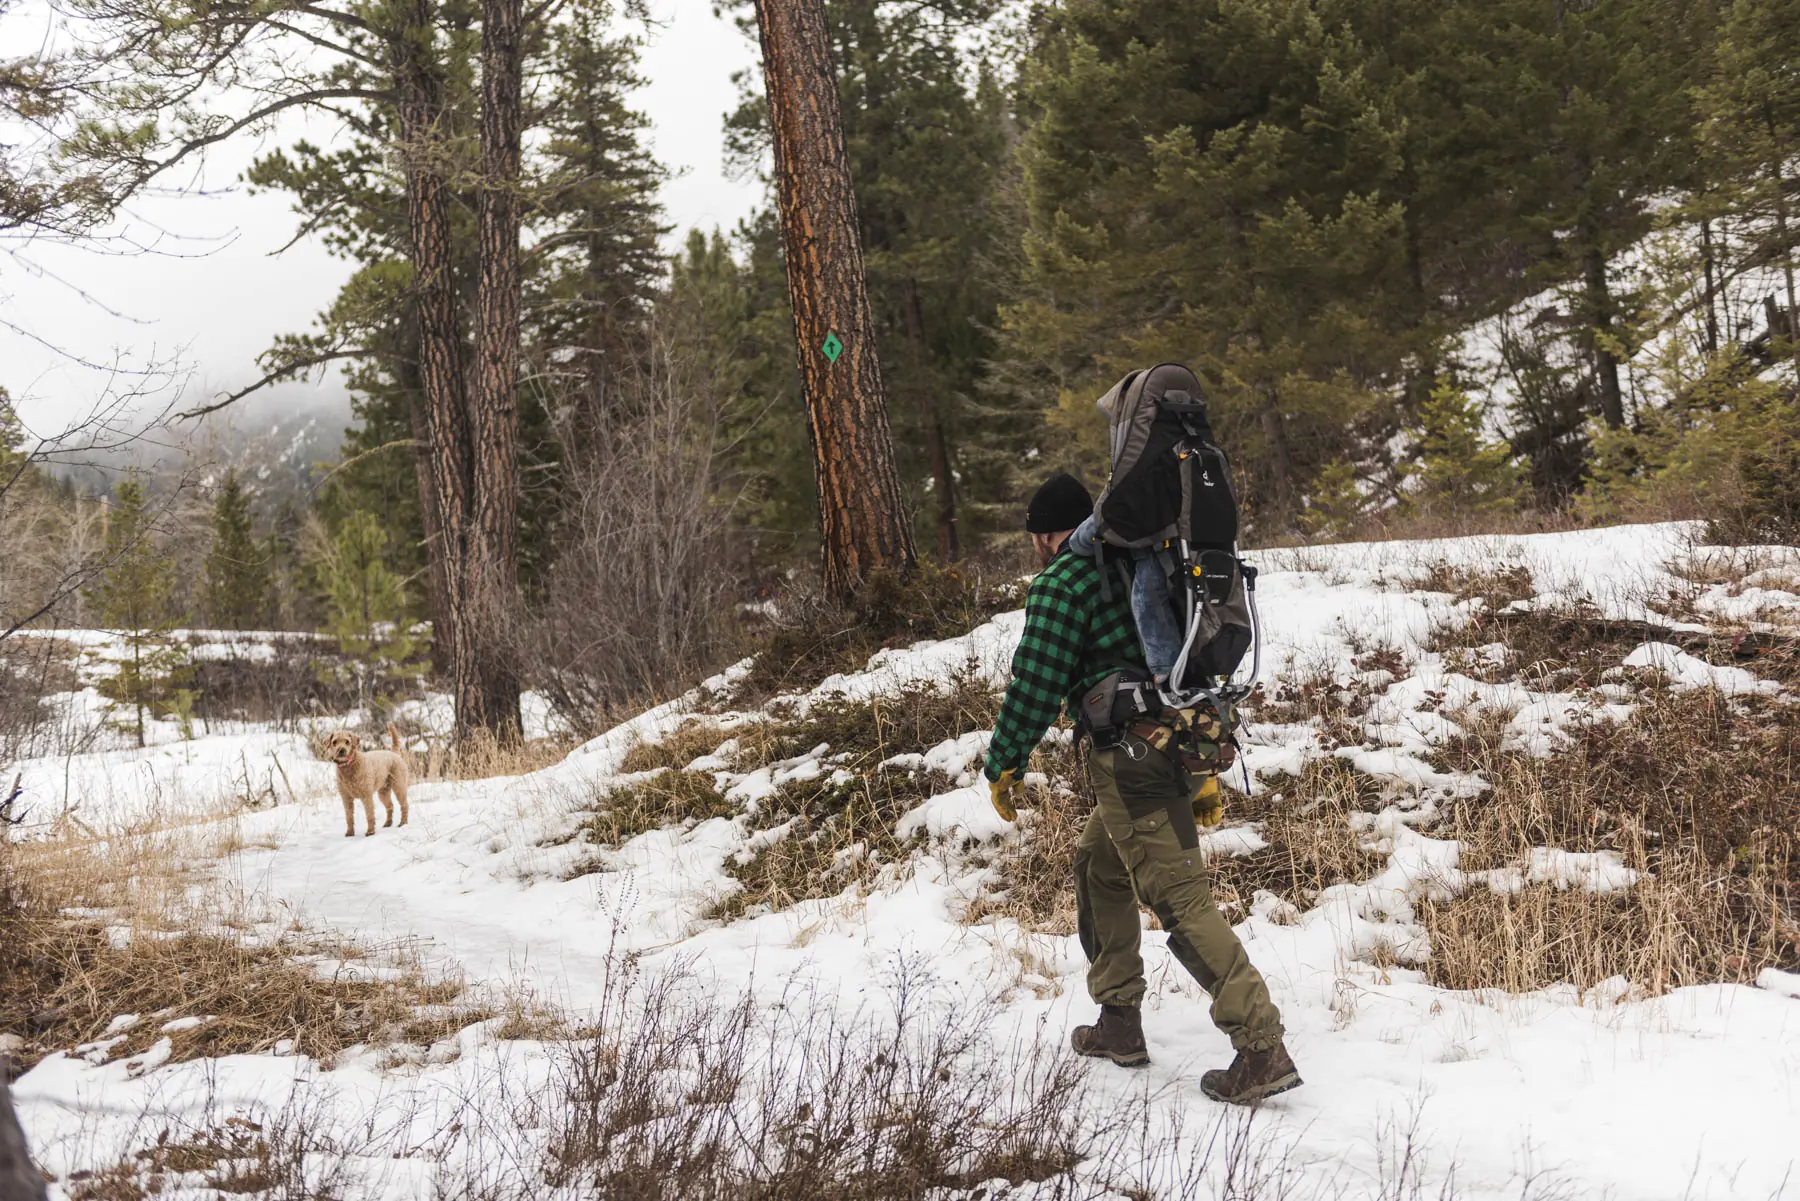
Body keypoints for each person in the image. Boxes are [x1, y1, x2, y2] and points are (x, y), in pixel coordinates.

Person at [983, 471, 1301, 1105]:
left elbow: (1037, 683)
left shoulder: (1063, 581)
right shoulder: (1155, 564)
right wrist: (1204, 771)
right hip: (1180, 742)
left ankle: (1260, 1046)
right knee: (1100, 867)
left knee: (1179, 899)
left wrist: (1005, 761)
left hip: (1129, 760)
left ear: (1049, 535)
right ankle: (1118, 1020)